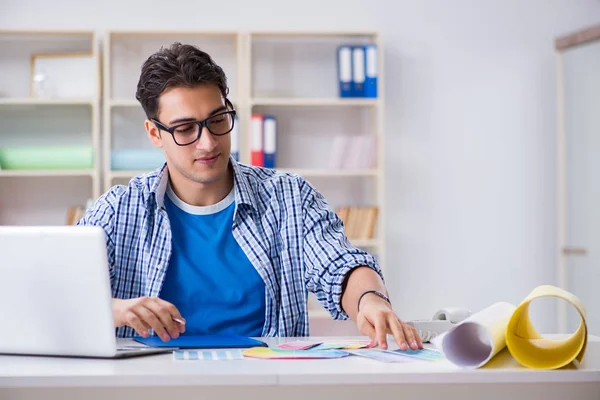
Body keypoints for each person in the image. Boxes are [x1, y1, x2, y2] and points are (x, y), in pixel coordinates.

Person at [79, 43, 422, 351]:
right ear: (155, 133)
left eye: (218, 120)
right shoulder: (118, 210)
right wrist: (113, 309)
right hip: (150, 387)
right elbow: (53, 293)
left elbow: (340, 264)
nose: (208, 142)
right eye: (185, 129)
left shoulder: (289, 197)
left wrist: (369, 301)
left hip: (265, 382)